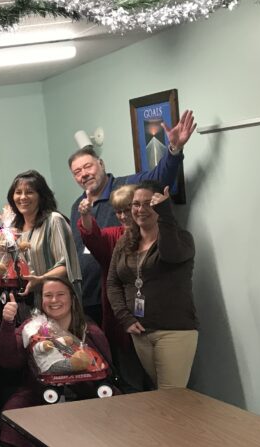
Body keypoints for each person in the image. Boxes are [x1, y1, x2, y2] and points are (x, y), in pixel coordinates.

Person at [68, 109, 196, 324]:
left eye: (87, 166)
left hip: (125, 292)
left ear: (101, 164)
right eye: (77, 172)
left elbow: (159, 177)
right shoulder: (76, 207)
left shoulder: (128, 187)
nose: (84, 174)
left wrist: (174, 149)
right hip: (89, 298)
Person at [0, 277, 112, 447]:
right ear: (41, 300)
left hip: (86, 392)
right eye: (48, 295)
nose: (54, 300)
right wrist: (7, 323)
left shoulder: (89, 331)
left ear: (72, 299)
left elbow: (105, 367)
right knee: (13, 412)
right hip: (39, 391)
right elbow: (7, 360)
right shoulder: (32, 328)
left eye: (60, 294)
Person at [107, 183, 198, 389]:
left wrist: (164, 213)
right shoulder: (125, 242)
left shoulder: (181, 239)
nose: (141, 210)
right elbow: (113, 282)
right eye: (136, 204)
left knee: (170, 397)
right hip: (140, 333)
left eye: (149, 204)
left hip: (173, 331)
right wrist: (124, 317)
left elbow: (171, 254)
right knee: (159, 396)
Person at [77, 184, 149, 391]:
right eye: (118, 211)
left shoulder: (153, 233)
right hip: (122, 316)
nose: (123, 216)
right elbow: (94, 239)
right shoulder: (112, 235)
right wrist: (86, 216)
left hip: (152, 315)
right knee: (129, 374)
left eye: (127, 209)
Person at [8, 170, 82, 300]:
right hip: (26, 303)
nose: (23, 197)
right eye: (18, 192)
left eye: (30, 192)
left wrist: (41, 279)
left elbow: (66, 265)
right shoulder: (13, 228)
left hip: (55, 300)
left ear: (41, 196)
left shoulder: (54, 220)